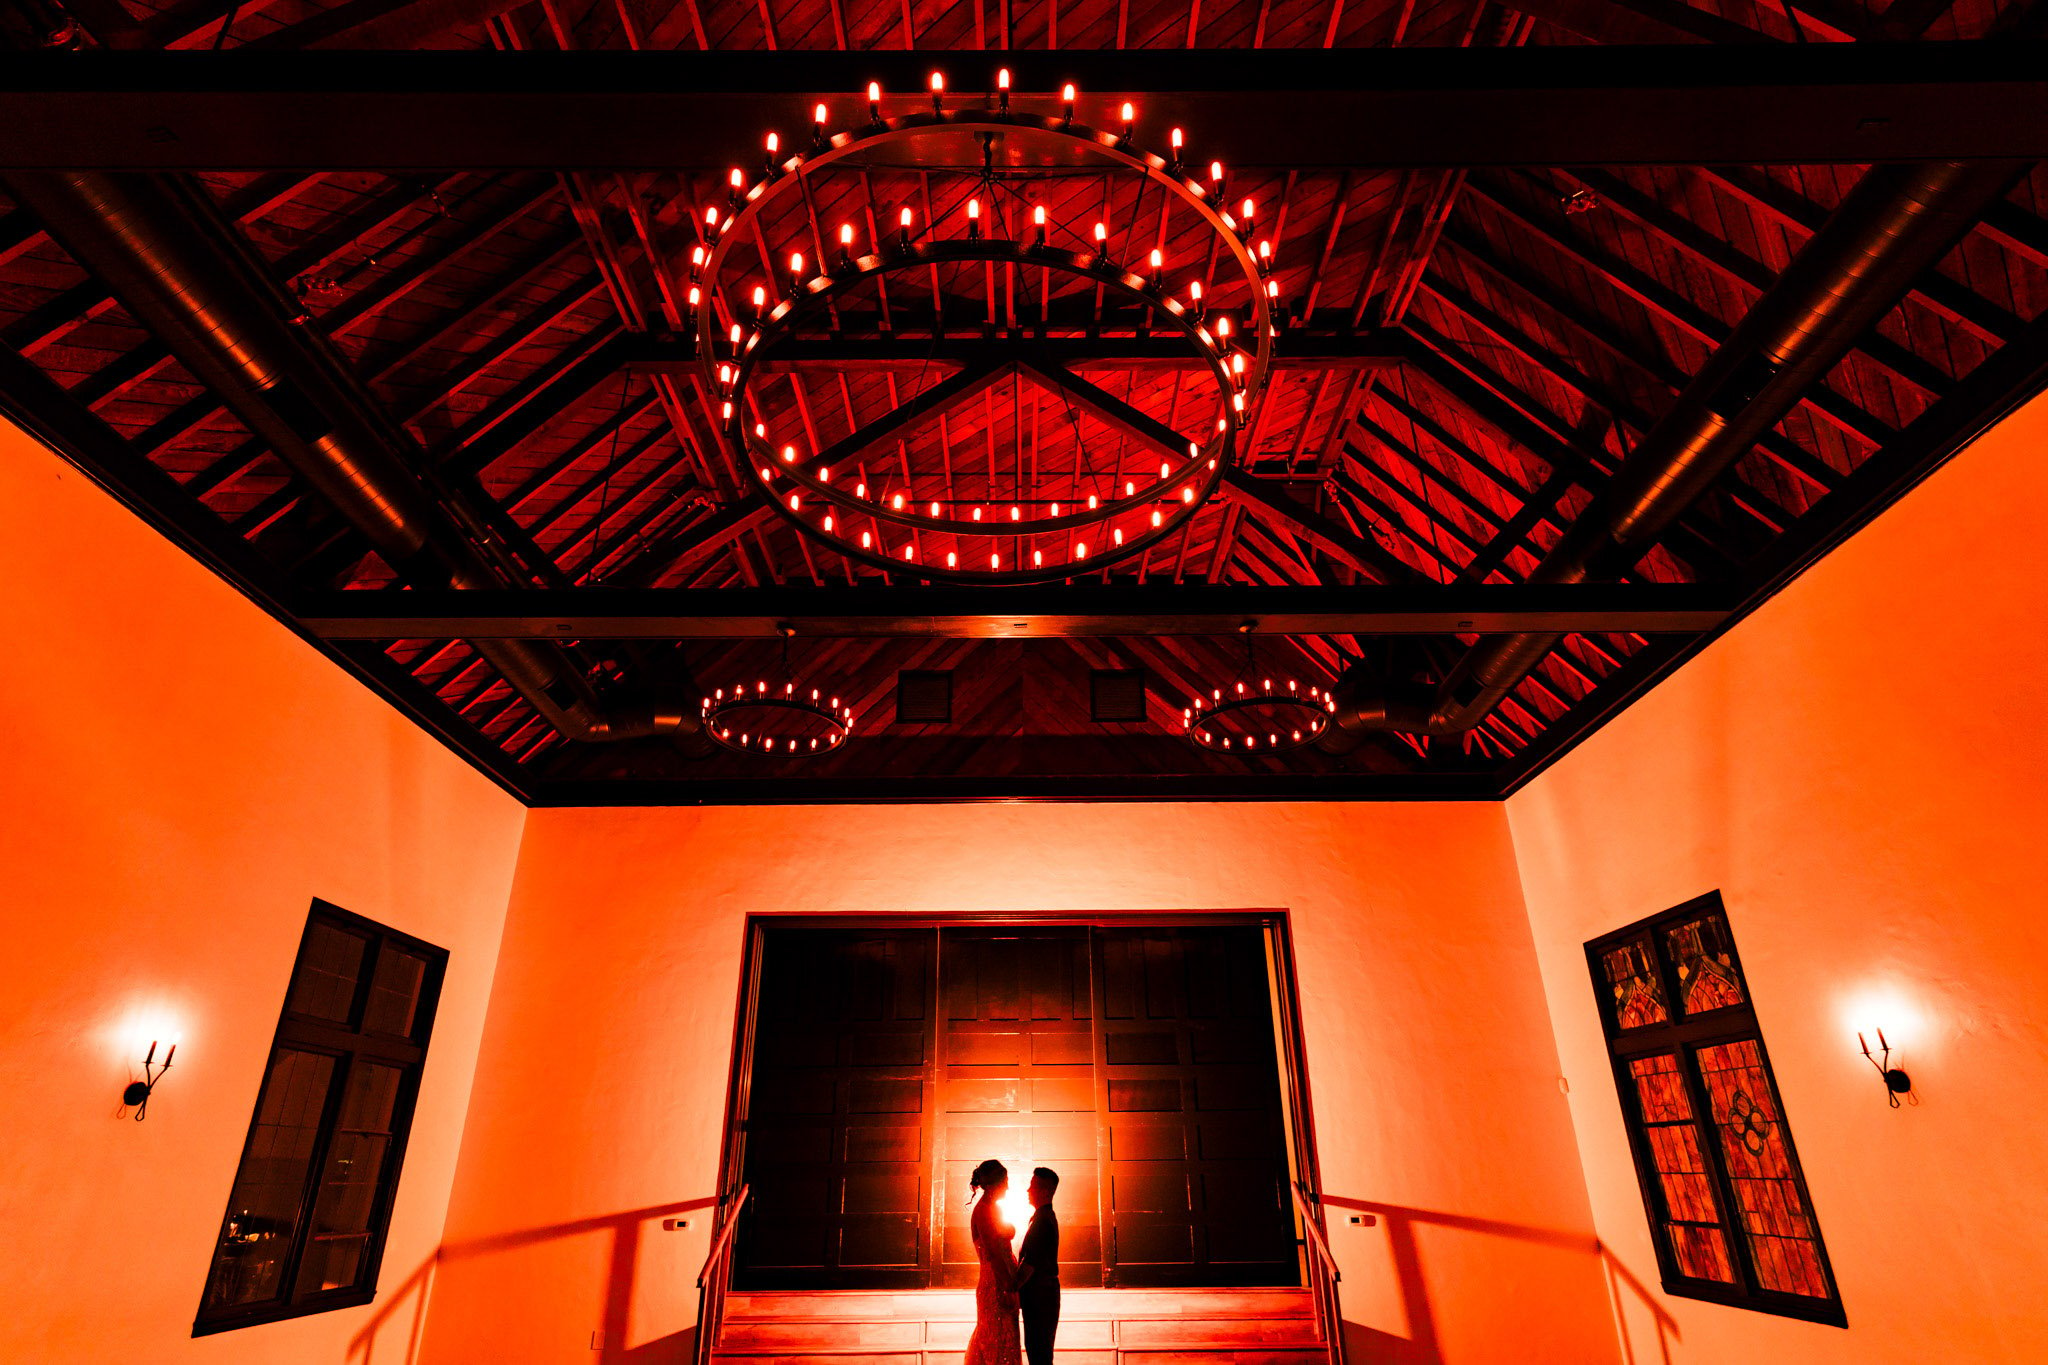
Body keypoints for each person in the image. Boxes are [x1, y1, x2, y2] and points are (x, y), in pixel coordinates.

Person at [964, 1159, 1022, 1365]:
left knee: (1003, 1340)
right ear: (993, 1184)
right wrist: (1006, 1288)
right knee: (996, 1342)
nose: (1007, 1186)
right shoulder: (984, 1211)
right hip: (995, 1284)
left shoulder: (993, 1209)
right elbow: (993, 1254)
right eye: (1005, 1181)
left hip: (1002, 1281)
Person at [1014, 1167, 1060, 1365]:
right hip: (1043, 1298)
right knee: (1040, 1352)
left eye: (1032, 1186)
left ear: (1045, 1191)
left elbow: (1029, 1264)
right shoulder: (1044, 1218)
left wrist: (1010, 1288)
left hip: (1040, 1300)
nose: (1027, 1190)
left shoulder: (1042, 1222)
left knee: (1038, 1353)